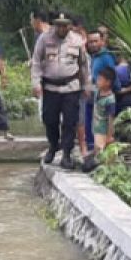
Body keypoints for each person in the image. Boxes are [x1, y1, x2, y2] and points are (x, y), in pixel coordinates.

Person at [31, 11, 89, 168]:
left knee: (70, 122)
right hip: (50, 87)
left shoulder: (77, 41)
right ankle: (53, 145)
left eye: (65, 25)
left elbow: (83, 65)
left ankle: (67, 154)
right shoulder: (44, 39)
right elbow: (36, 61)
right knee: (50, 120)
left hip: (71, 87)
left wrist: (86, 85)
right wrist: (36, 83)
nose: (61, 28)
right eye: (59, 25)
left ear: (70, 25)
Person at [84, 30, 118, 153]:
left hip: (103, 99)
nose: (92, 44)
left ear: (102, 41)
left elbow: (114, 78)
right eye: (90, 42)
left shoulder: (106, 58)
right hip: (93, 98)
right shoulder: (94, 57)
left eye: (95, 41)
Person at [82, 65, 117, 173]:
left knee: (102, 150)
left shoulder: (110, 99)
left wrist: (110, 135)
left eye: (100, 80)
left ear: (108, 82)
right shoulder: (97, 92)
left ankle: (104, 169)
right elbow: (88, 90)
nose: (97, 81)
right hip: (96, 127)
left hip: (103, 130)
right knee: (97, 149)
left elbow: (111, 118)